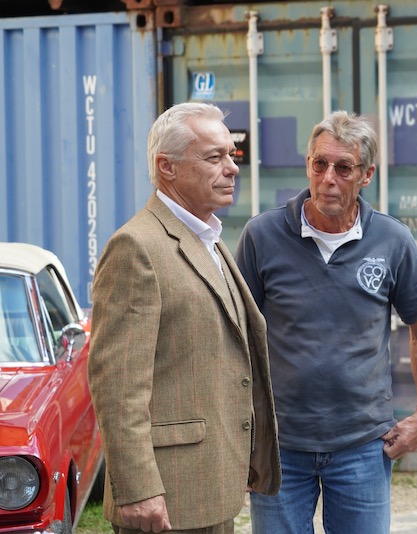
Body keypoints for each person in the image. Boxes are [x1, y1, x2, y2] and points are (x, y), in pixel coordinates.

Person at [234, 110, 417, 534]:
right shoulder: (262, 236)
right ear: (308, 166)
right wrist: (240, 428)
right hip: (280, 444)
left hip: (363, 445)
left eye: (344, 167)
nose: (328, 178)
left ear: (366, 175)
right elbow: (236, 336)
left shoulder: (392, 240)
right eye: (320, 164)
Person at [88, 102, 281, 534]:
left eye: (232, 155)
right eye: (214, 157)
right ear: (167, 167)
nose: (232, 168)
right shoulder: (137, 247)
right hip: (167, 499)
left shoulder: (208, 238)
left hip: (209, 486)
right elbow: (117, 386)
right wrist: (138, 489)